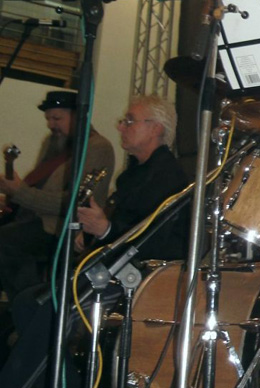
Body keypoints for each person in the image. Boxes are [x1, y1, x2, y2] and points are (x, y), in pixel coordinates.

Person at [0, 94, 190, 388]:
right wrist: (91, 233)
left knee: (46, 308)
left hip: (138, 280)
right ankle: (65, 380)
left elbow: (156, 243)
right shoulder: (135, 174)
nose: (120, 127)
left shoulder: (169, 177)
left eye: (129, 121)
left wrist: (105, 229)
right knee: (27, 302)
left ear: (156, 128)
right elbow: (120, 228)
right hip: (112, 270)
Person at [0, 90, 115, 301]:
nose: (51, 125)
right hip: (37, 220)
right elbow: (39, 189)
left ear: (76, 117)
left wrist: (19, 192)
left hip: (62, 228)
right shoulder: (52, 143)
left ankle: (30, 304)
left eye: (57, 118)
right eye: (48, 119)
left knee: (6, 241)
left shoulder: (98, 147)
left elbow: (75, 202)